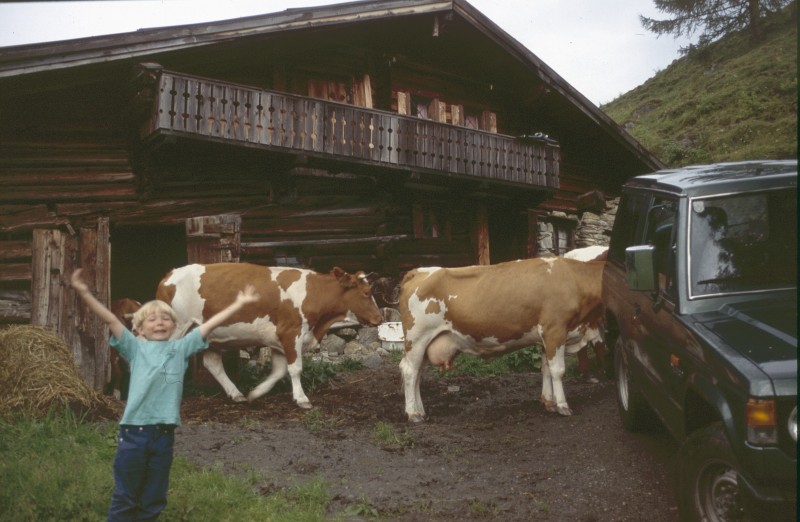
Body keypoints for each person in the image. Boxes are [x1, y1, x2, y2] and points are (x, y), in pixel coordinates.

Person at [70, 268, 259, 521]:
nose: (159, 322)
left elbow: (209, 325)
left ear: (174, 326)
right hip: (134, 434)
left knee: (154, 497)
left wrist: (239, 303)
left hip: (164, 436)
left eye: (165, 318)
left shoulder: (181, 348)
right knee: (126, 495)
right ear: (138, 329)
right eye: (151, 319)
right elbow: (111, 320)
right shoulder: (135, 348)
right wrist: (84, 292)